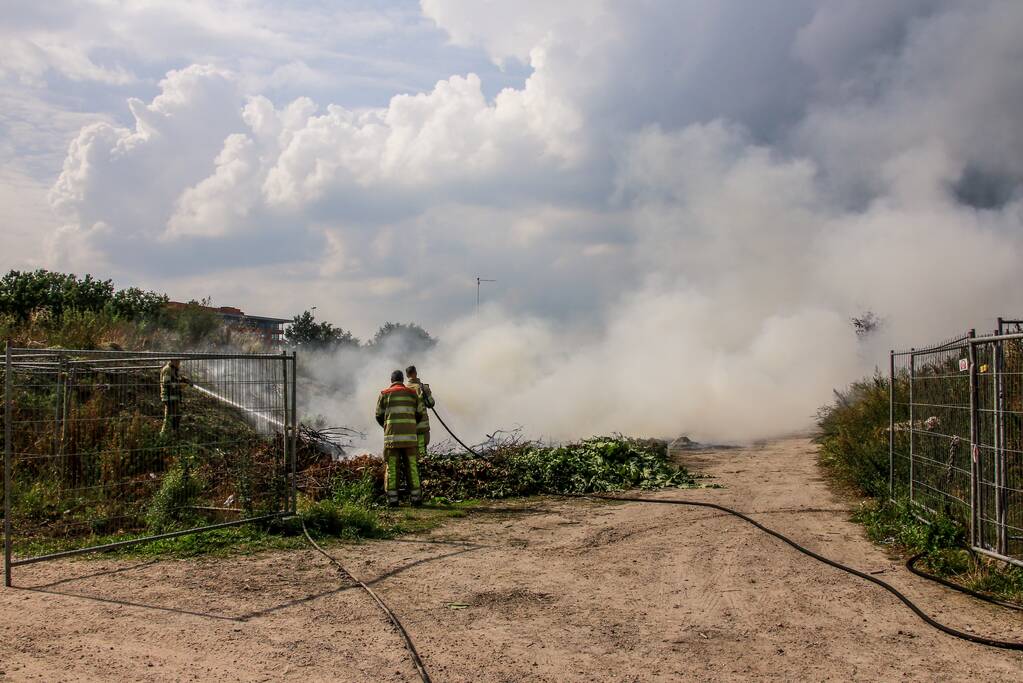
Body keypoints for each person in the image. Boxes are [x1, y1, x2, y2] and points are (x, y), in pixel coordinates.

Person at [376, 369, 424, 506]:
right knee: (412, 467)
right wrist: (410, 426)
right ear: (402, 380)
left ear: (391, 381)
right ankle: (416, 498)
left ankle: (393, 500)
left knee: (392, 467)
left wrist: (388, 428)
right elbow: (420, 413)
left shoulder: (384, 394)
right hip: (410, 440)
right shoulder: (412, 393)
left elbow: (378, 415)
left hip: (392, 440)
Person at [405, 365, 435, 461]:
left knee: (411, 452)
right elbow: (431, 404)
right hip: (421, 427)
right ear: (415, 373)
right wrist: (428, 392)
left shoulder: (403, 389)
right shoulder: (422, 388)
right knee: (422, 453)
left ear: (406, 375)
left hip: (408, 427)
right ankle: (422, 468)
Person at [160, 358, 192, 437]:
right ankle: (165, 435)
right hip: (169, 397)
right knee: (171, 417)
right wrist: (179, 385)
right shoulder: (167, 370)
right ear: (172, 361)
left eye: (179, 361)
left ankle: (173, 433)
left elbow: (175, 379)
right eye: (177, 361)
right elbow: (167, 384)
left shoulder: (173, 370)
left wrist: (184, 380)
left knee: (176, 415)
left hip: (173, 397)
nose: (179, 363)